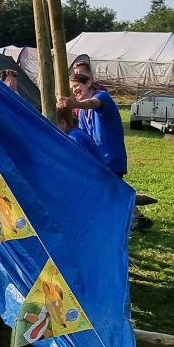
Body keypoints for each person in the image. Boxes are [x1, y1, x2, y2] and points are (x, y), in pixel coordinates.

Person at [61, 67, 151, 230]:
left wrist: (76, 103)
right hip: (99, 159)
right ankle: (137, 215)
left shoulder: (102, 97)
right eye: (72, 89)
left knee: (109, 191)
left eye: (77, 86)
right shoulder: (81, 113)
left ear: (89, 83)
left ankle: (130, 217)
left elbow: (92, 103)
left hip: (112, 156)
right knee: (110, 191)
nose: (75, 90)